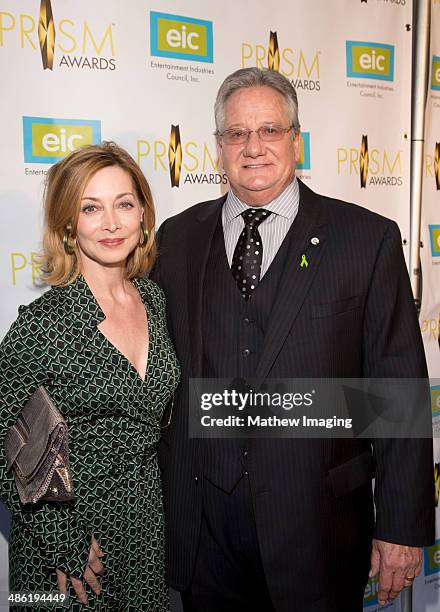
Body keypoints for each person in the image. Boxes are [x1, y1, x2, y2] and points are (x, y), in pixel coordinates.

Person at [151, 68, 435, 611]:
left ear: (296, 141)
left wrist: (400, 525)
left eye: (270, 130)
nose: (253, 146)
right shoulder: (178, 239)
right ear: (218, 149)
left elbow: (395, 388)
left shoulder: (365, 240)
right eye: (237, 134)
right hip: (205, 533)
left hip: (319, 531)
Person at [0, 142, 180, 610]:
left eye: (124, 203)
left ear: (143, 213)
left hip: (143, 522)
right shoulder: (44, 323)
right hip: (68, 545)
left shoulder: (155, 303)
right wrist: (65, 540)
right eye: (91, 208)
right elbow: (7, 441)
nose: (111, 223)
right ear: (67, 223)